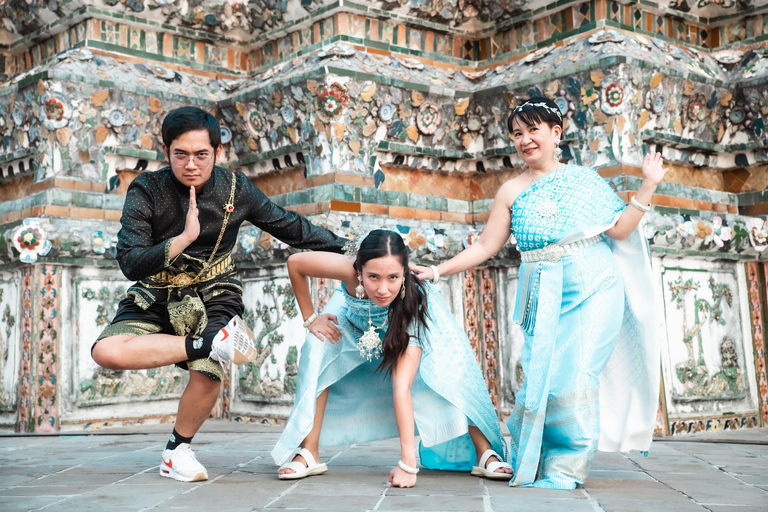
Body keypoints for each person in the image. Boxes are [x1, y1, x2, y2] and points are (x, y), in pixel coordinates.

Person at [412, 97, 665, 489]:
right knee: (541, 382)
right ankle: (538, 459)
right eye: (517, 133)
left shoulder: (583, 179)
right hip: (542, 296)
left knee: (576, 375)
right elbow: (486, 246)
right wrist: (436, 270)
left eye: (533, 130)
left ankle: (566, 468)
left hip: (595, 286)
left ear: (555, 133)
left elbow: (619, 230)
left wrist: (648, 185)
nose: (525, 140)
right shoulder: (511, 191)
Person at [91, 106, 347, 483]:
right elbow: (130, 262)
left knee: (208, 373)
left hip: (215, 290)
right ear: (166, 151)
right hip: (156, 290)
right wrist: (183, 239)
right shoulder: (146, 190)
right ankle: (213, 343)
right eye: (180, 154)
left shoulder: (235, 188)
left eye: (201, 154)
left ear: (218, 151)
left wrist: (353, 249)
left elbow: (289, 226)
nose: (190, 164)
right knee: (106, 352)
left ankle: (177, 451)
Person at [271, 229, 512, 487]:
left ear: (405, 273)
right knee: (317, 344)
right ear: (359, 270)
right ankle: (309, 451)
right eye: (373, 277)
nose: (383, 289)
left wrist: (408, 465)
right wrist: (310, 319)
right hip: (353, 319)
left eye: (393, 277)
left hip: (402, 320)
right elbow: (295, 263)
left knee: (453, 365)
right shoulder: (346, 270)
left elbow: (401, 387)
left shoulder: (413, 305)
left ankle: (484, 451)